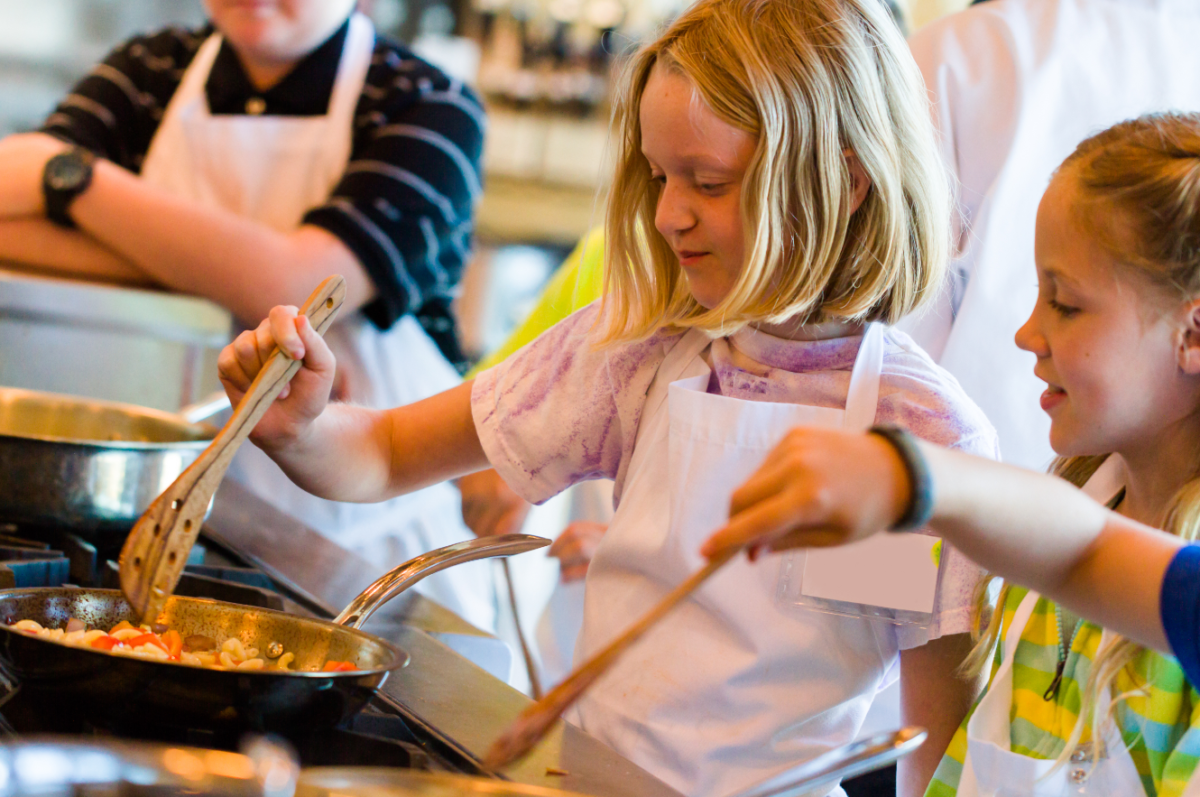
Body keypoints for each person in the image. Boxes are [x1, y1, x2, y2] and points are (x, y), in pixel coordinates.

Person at [216, 0, 998, 794]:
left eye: (709, 180)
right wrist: (301, 427)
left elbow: (937, 741)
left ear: (848, 178)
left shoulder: (920, 439)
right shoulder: (641, 350)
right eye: (659, 176)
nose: (667, 213)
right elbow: (384, 454)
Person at [705, 113, 1200, 796]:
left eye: (1066, 303)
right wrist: (909, 480)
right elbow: (1073, 548)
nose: (1028, 332)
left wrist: (916, 474)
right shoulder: (1063, 538)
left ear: (1193, 331)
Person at [0, 0, 495, 629]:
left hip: (366, 559)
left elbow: (300, 281)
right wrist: (235, 269)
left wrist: (74, 180)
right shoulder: (151, 71)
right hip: (176, 527)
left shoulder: (428, 107)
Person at [901, 0, 1200, 471]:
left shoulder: (965, 54)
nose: (1028, 333)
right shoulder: (965, 55)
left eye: (1064, 303)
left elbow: (889, 335)